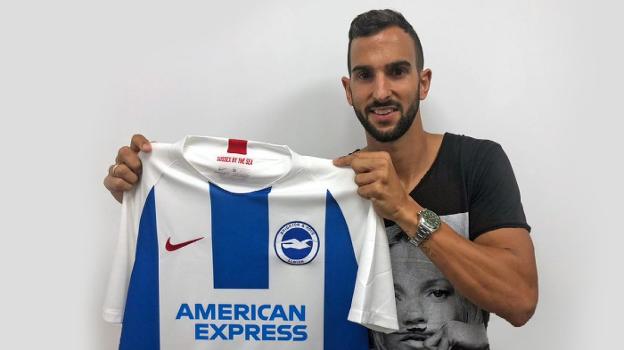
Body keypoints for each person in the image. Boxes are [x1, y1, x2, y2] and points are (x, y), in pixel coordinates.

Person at [103, 9, 538, 348]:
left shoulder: (478, 162)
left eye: (397, 71)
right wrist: (155, 192)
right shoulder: (332, 188)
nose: (381, 91)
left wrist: (404, 210)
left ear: (423, 83)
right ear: (348, 90)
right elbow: (239, 248)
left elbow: (519, 301)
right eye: (365, 76)